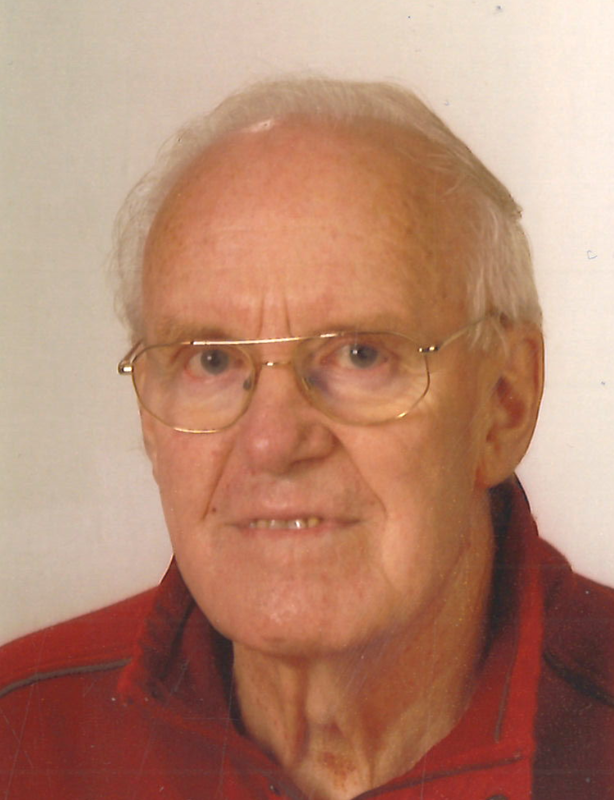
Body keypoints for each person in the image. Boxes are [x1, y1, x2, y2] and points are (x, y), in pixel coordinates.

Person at [1, 77, 612, 800]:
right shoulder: (24, 737)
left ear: (505, 402)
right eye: (211, 361)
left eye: (360, 354)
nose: (272, 443)